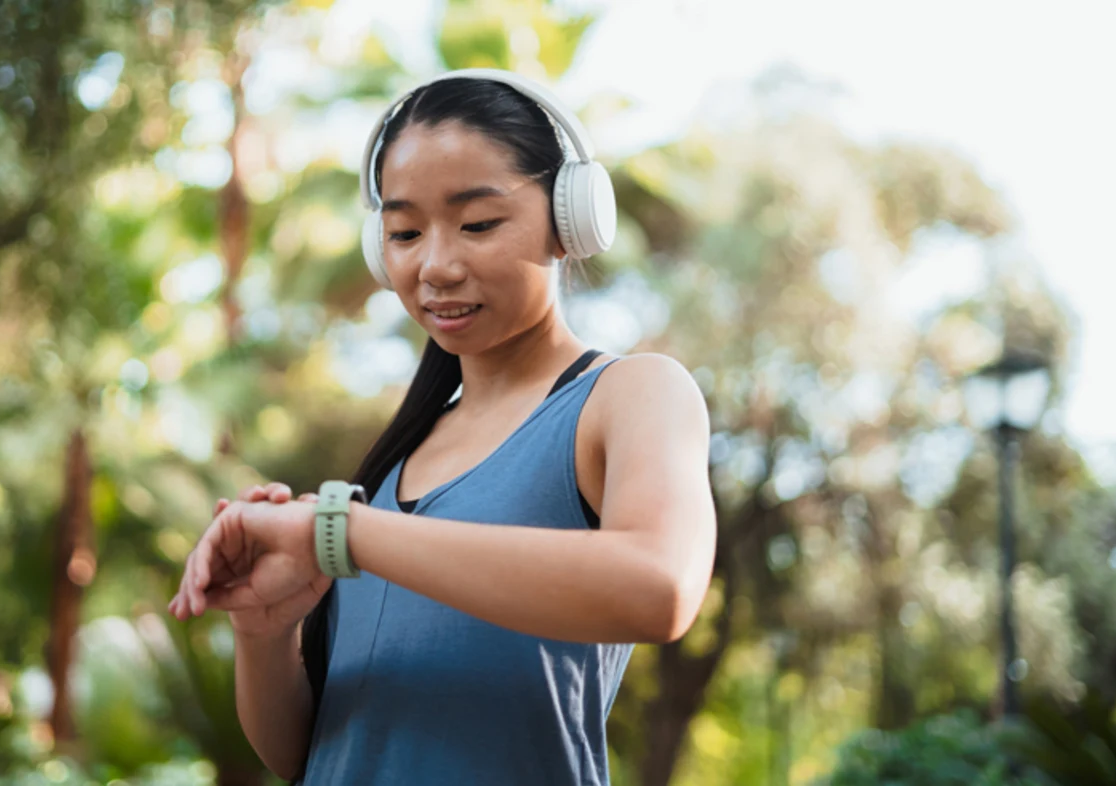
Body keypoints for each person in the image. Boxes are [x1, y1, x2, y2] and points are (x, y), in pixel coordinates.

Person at [168, 69, 716, 785]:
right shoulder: (395, 465)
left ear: (570, 218)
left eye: (478, 223)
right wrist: (264, 632)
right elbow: (308, 756)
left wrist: (340, 533)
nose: (435, 265)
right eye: (403, 232)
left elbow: (660, 588)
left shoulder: (627, 395)